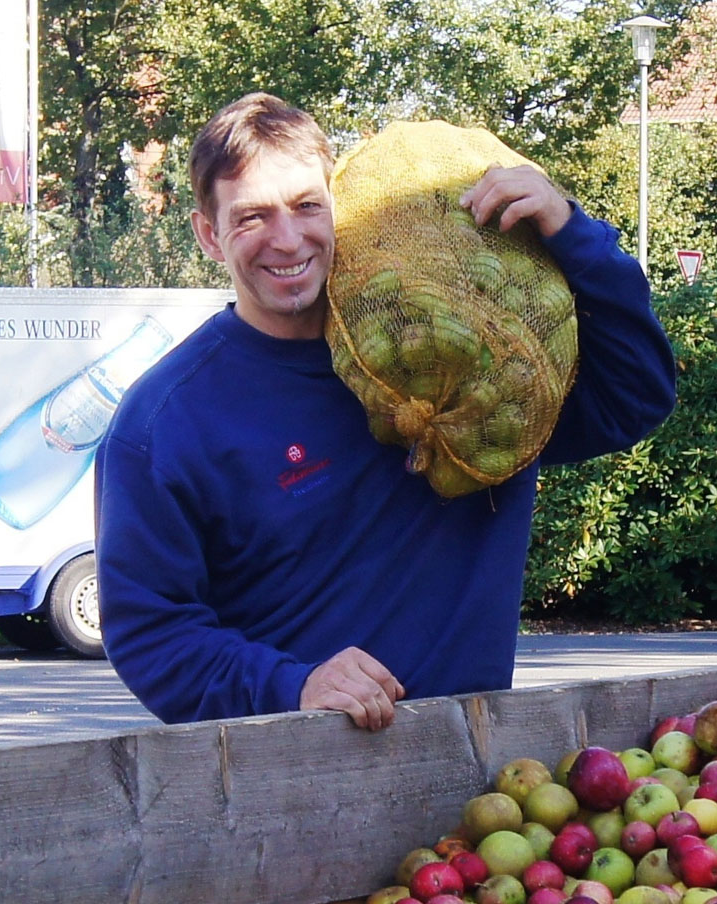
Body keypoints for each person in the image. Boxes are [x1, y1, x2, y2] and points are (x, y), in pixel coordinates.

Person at [94, 93, 676, 731]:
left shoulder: (460, 367)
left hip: (473, 784)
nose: (287, 239)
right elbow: (152, 630)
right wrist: (293, 685)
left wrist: (573, 233)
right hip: (286, 789)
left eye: (306, 206)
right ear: (209, 233)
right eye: (252, 217)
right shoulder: (166, 422)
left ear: (337, 208)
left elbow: (635, 396)